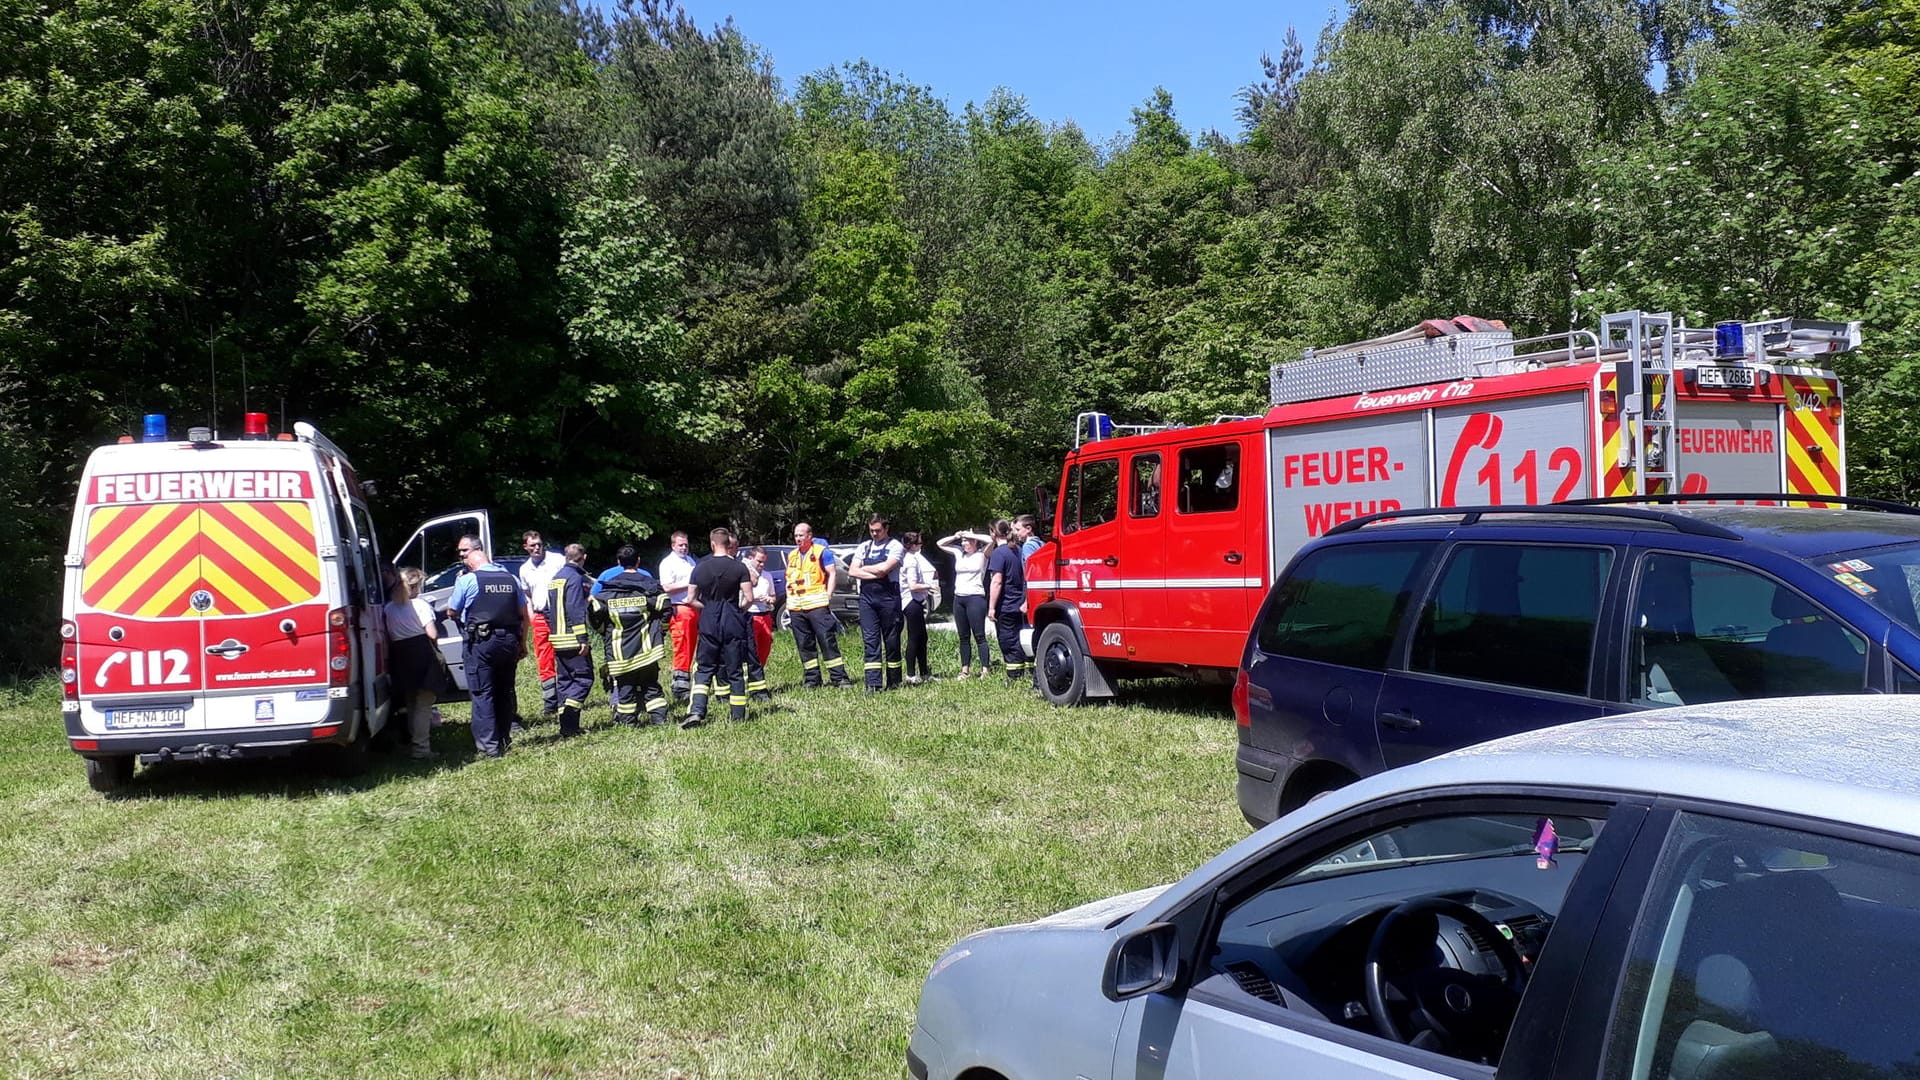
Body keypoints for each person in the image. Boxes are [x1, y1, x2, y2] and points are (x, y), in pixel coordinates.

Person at [448, 542, 532, 757]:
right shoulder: (511, 580)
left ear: (472, 564)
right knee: (504, 691)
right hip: (509, 642)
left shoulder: (467, 580)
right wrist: (522, 643)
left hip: (481, 644)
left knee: (482, 693)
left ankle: (489, 748)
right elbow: (524, 614)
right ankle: (504, 739)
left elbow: (452, 610)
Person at [591, 545, 672, 726]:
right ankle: (659, 720)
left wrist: (604, 631)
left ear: (619, 562)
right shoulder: (650, 585)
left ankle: (628, 723)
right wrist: (661, 630)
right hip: (647, 649)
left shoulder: (608, 590)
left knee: (625, 688)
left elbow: (594, 613)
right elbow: (666, 607)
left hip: (619, 652)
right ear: (638, 561)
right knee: (651, 685)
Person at [686, 527, 753, 726]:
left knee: (705, 668)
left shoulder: (699, 568)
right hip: (732, 618)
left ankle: (697, 710)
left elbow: (690, 599)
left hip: (709, 619)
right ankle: (738, 716)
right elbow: (749, 598)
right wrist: (737, 609)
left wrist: (707, 608)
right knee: (735, 670)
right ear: (727, 543)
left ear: (712, 543)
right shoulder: (740, 568)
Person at [383, 565, 445, 760]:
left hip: (400, 655)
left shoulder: (388, 608)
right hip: (422, 653)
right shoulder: (420, 605)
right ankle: (421, 748)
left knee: (411, 703)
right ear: (417, 585)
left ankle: (412, 743)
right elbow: (432, 633)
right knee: (424, 703)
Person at [785, 522, 854, 688]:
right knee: (804, 644)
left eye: (801, 535)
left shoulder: (821, 552)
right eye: (796, 535)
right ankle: (812, 679)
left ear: (809, 536)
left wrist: (828, 596)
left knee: (826, 641)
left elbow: (832, 573)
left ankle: (839, 678)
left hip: (817, 604)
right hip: (796, 606)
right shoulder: (792, 555)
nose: (798, 538)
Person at [848, 514, 905, 691]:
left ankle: (894, 681)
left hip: (888, 598)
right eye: (871, 530)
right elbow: (852, 571)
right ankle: (873, 684)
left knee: (891, 640)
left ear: (886, 529)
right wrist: (873, 572)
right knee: (870, 640)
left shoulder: (895, 546)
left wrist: (864, 569)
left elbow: (884, 569)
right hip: (867, 599)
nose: (874, 534)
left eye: (878, 530)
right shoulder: (864, 547)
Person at [545, 543, 595, 738]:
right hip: (573, 638)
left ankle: (567, 727)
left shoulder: (556, 578)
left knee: (565, 681)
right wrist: (582, 638)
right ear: (583, 557)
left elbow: (549, 610)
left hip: (557, 638)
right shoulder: (575, 578)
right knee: (584, 679)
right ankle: (569, 718)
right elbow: (575, 609)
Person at [518, 530, 567, 718]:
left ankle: (567, 697)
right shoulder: (524, 569)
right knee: (544, 659)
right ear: (526, 547)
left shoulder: (558, 560)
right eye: (533, 545)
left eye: (539, 544)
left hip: (559, 613)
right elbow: (527, 596)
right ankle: (550, 701)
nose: (537, 548)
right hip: (539, 616)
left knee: (564, 654)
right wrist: (530, 618)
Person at [939, 528, 993, 678]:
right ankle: (965, 670)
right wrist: (956, 535)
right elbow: (940, 543)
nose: (964, 544)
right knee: (963, 636)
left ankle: (985, 670)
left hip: (975, 597)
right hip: (959, 598)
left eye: (968, 541)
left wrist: (971, 535)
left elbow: (990, 540)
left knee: (979, 635)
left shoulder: (982, 554)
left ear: (975, 542)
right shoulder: (958, 553)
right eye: (963, 541)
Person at [988, 518, 1033, 687]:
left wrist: (991, 607)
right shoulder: (1018, 549)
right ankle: (1030, 672)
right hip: (1020, 603)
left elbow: (997, 581)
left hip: (1006, 605)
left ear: (993, 533)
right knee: (1022, 637)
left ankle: (1014, 677)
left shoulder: (999, 553)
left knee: (1008, 640)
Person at [659, 531, 699, 700]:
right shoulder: (668, 563)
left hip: (694, 607)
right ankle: (679, 686)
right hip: (679, 608)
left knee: (692, 646)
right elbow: (666, 587)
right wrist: (688, 584)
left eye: (686, 545)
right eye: (680, 545)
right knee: (682, 646)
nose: (684, 548)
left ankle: (689, 680)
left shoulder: (690, 561)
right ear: (673, 545)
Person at [899, 532, 939, 684]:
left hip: (915, 600)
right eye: (919, 543)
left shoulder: (909, 558)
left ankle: (924, 672)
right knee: (914, 638)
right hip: (911, 601)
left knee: (923, 637)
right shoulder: (910, 560)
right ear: (913, 545)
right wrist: (929, 586)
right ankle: (910, 674)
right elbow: (913, 585)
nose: (921, 546)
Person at [742, 545, 777, 701]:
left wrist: (770, 599)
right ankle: (749, 682)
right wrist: (753, 598)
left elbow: (773, 596)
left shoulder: (767, 576)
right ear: (751, 559)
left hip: (765, 615)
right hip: (751, 614)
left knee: (764, 648)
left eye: (764, 562)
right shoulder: (744, 574)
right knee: (751, 651)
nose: (761, 565)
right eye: (759, 562)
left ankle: (757, 680)